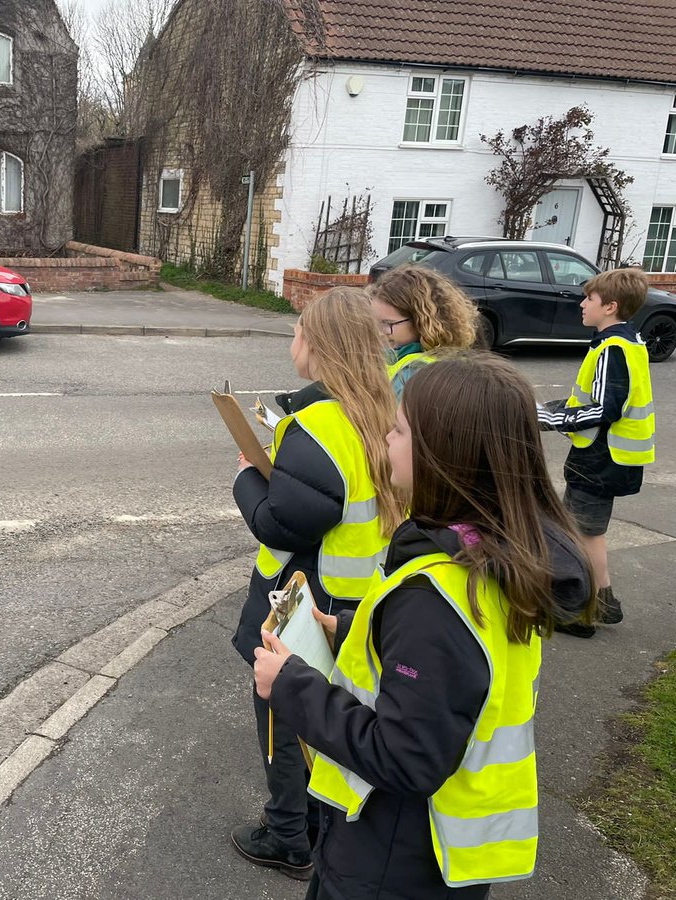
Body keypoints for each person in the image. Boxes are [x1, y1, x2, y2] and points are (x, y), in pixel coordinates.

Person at [254, 354, 593, 900]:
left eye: (399, 430)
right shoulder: (500, 555)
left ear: (441, 454)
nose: (386, 439)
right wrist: (351, 631)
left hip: (393, 855)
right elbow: (457, 674)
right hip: (438, 853)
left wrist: (291, 683)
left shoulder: (435, 597)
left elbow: (405, 756)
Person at [230, 286, 403, 880]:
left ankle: (289, 835)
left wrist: (246, 478)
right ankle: (319, 822)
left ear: (319, 343)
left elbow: (282, 522)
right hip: (359, 599)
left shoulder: (316, 424)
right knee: (332, 715)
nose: (293, 342)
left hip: (302, 603)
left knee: (283, 714)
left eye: (297, 331)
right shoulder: (384, 409)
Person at [538, 267, 655, 637]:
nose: (582, 304)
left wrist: (550, 419)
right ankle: (603, 604)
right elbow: (596, 399)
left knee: (580, 535)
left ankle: (581, 613)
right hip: (610, 457)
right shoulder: (628, 341)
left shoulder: (612, 348)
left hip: (601, 458)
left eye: (589, 298)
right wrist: (556, 409)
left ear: (610, 307)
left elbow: (606, 409)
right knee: (586, 533)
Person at [367, 264, 479, 399]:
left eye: (388, 324)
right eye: (375, 322)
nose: (379, 332)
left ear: (420, 322)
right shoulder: (395, 354)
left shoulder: (414, 373)